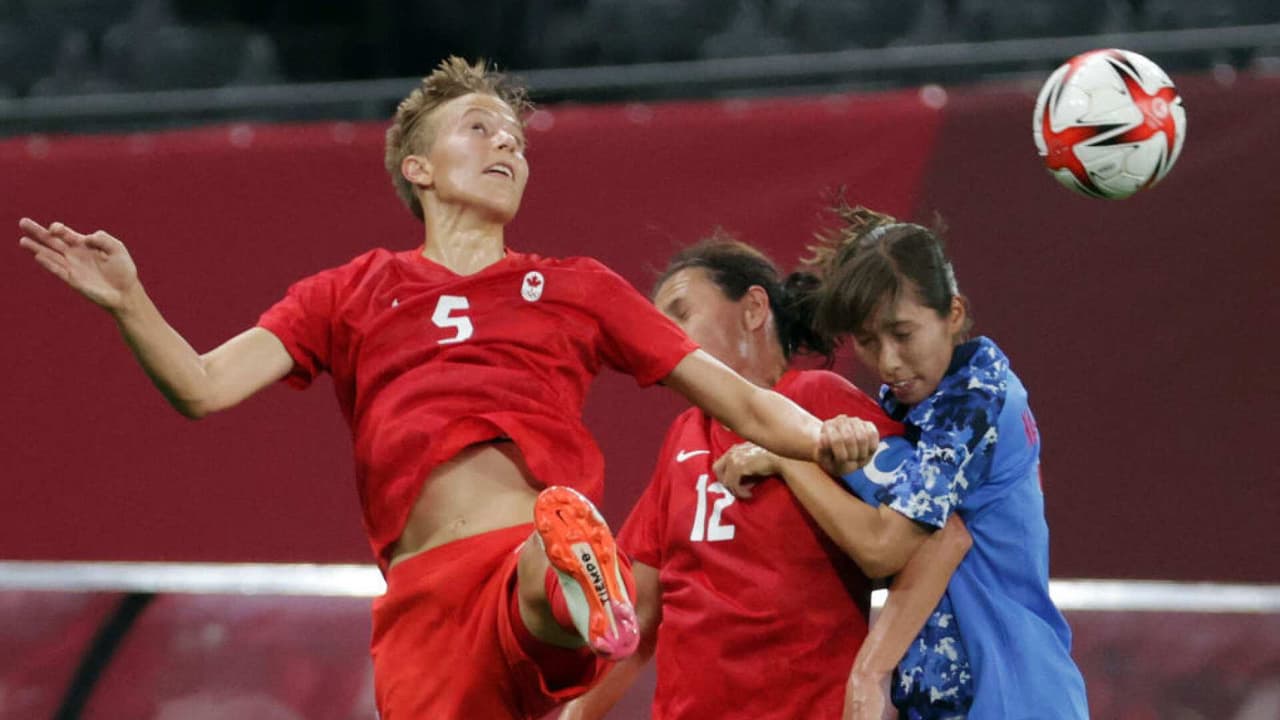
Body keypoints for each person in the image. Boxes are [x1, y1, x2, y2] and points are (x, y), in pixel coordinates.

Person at [17, 57, 869, 720]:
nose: (508, 147)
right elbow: (202, 386)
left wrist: (819, 437)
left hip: (519, 559)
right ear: (419, 168)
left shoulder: (577, 288)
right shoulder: (348, 293)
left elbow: (741, 399)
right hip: (422, 602)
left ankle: (570, 578)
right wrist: (130, 302)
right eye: (481, 129)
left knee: (545, 556)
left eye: (517, 140)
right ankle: (575, 584)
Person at [561, 235, 971, 720]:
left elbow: (937, 533)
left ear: (754, 309)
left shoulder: (820, 403)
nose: (661, 336)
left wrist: (870, 673)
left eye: (681, 312)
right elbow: (639, 617)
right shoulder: (683, 436)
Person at [721, 203, 1090, 719]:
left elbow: (886, 548)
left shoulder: (976, 401)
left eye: (903, 334)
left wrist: (792, 458)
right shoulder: (909, 408)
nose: (888, 362)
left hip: (1013, 696)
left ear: (953, 314)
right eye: (868, 341)